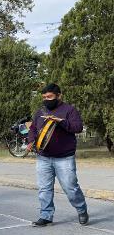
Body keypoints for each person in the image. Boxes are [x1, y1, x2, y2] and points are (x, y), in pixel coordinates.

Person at [27, 83, 88, 226]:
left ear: (59, 96)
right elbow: (33, 128)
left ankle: (81, 209)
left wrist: (62, 122)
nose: (46, 100)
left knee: (70, 188)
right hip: (43, 157)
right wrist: (31, 141)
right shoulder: (40, 111)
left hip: (64, 158)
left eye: (49, 97)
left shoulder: (69, 110)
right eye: (44, 97)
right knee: (44, 188)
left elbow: (78, 127)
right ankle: (46, 215)